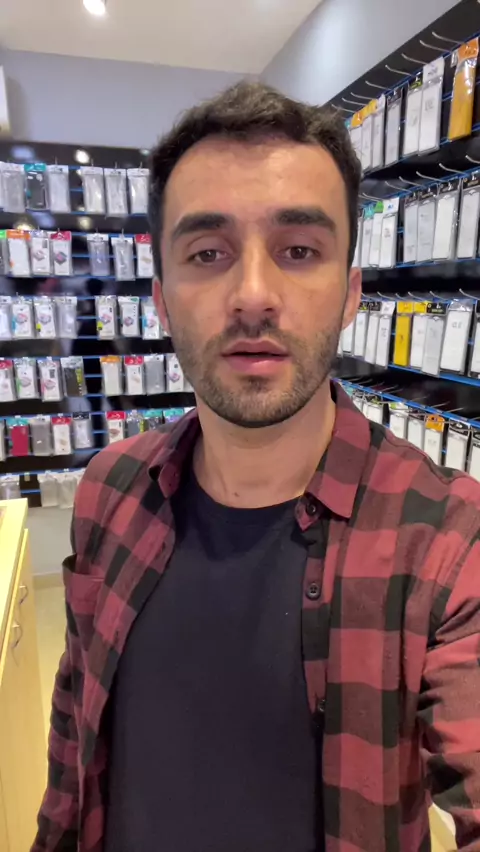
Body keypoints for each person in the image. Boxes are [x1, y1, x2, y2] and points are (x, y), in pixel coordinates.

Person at [33, 82, 480, 852]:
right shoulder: (110, 490)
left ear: (350, 294)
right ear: (162, 299)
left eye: (298, 250)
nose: (253, 296)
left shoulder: (446, 538)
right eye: (208, 254)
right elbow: (74, 741)